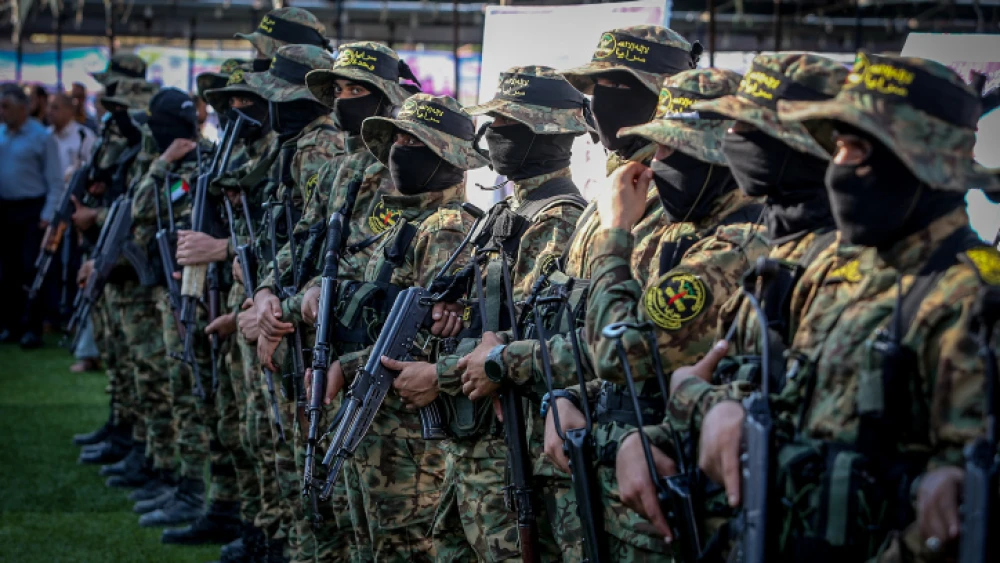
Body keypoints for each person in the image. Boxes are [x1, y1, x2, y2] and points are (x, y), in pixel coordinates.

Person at [638, 52, 998, 563]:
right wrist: (692, 409)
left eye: (857, 149)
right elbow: (779, 409)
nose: (839, 169)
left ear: (919, 157)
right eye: (838, 149)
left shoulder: (972, 297)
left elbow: (958, 504)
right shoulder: (838, 271)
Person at [456, 25, 702, 561]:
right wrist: (562, 394)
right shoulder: (606, 199)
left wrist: (504, 361)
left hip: (641, 458)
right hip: (579, 442)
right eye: (597, 88)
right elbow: (572, 319)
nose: (603, 102)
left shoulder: (678, 201)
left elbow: (627, 343)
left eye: (622, 86)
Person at [612, 51, 851, 550]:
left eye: (746, 128)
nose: (732, 141)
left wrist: (612, 239)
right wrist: (649, 436)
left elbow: (623, 352)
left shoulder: (770, 251)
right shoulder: (781, 251)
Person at [309, 92, 482, 562]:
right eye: (399, 137)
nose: (400, 148)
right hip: (378, 415)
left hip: (406, 428)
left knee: (403, 545)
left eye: (415, 140)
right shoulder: (409, 223)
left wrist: (348, 365)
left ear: (448, 156)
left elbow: (434, 337)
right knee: (370, 541)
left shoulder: (447, 229)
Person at [243, 43, 344, 563]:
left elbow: (325, 254)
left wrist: (274, 301)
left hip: (307, 329)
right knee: (276, 445)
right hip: (284, 314)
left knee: (305, 456)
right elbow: (295, 240)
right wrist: (263, 293)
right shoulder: (297, 145)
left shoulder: (320, 148)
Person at [0, 86, 64, 349]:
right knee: (7, 270)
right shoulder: (2, 134)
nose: (1, 112)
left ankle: (31, 327)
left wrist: (48, 215)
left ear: (23, 108)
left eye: (5, 106)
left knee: (31, 269)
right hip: (5, 208)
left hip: (32, 211)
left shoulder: (42, 137)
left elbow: (55, 180)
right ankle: (10, 325)